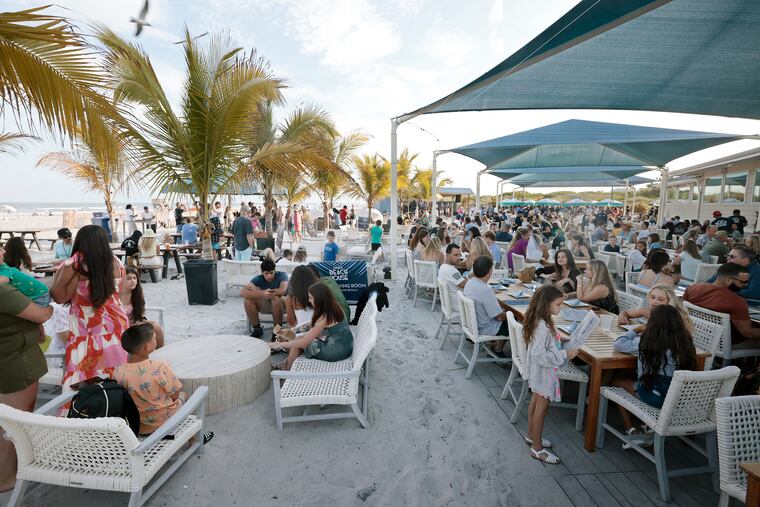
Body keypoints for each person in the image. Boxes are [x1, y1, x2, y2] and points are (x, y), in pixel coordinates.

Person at [50, 224, 130, 392]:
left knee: (83, 377)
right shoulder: (116, 262)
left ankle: (84, 413)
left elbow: (58, 296)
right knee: (116, 373)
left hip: (85, 329)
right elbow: (121, 293)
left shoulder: (75, 263)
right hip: (116, 327)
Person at [112, 323, 213, 443]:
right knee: (183, 395)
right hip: (166, 423)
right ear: (147, 347)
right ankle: (194, 439)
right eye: (154, 338)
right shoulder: (159, 366)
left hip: (141, 426)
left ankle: (188, 436)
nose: (156, 340)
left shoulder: (117, 372)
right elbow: (175, 395)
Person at [612, 305, 697, 438]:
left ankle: (631, 430)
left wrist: (636, 329)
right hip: (677, 397)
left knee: (616, 381)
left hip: (656, 397)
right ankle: (645, 424)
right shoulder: (685, 343)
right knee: (631, 375)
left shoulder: (647, 341)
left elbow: (619, 343)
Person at [0, 280, 53, 491]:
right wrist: (49, 308)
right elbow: (42, 314)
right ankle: (5, 478)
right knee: (13, 424)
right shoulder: (3, 291)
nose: (2, 251)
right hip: (17, 363)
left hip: (10, 360)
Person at [523, 284, 579, 465]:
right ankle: (537, 449)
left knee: (535, 402)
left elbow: (542, 345)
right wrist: (565, 354)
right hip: (544, 372)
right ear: (546, 304)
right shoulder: (542, 326)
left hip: (539, 373)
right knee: (542, 408)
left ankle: (531, 436)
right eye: (558, 304)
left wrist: (558, 338)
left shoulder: (541, 320)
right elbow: (540, 355)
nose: (560, 308)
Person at [270, 282, 353, 370]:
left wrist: (278, 344)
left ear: (319, 299)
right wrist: (294, 330)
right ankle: (284, 365)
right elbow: (312, 325)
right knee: (303, 337)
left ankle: (286, 375)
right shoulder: (335, 307)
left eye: (310, 298)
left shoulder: (325, 317)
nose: (309, 300)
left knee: (298, 343)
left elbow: (304, 342)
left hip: (335, 351)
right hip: (345, 344)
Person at [684, 263, 760, 345]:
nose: (746, 285)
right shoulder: (737, 302)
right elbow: (748, 332)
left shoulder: (692, 288)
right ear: (728, 280)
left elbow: (682, 312)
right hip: (723, 344)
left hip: (696, 337)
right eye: (743, 282)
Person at [463, 256, 510, 355]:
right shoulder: (486, 290)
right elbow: (500, 317)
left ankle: (494, 344)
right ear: (490, 271)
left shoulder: (470, 283)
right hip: (485, 328)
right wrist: (510, 313)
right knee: (514, 322)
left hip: (473, 324)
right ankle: (498, 350)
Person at [241, 259, 289, 339]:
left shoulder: (282, 275)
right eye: (266, 273)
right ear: (262, 273)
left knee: (275, 298)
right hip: (266, 304)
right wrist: (262, 293)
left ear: (275, 271)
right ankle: (257, 329)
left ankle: (277, 331)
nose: (269, 276)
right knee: (248, 300)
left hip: (283, 306)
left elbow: (282, 291)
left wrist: (269, 293)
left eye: (271, 273)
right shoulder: (258, 278)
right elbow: (243, 292)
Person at [120, 267, 165, 348]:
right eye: (129, 278)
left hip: (135, 322)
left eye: (134, 278)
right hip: (120, 325)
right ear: (122, 280)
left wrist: (141, 320)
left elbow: (139, 312)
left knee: (157, 328)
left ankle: (159, 354)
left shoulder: (137, 294)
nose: (133, 281)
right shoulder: (116, 296)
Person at [618, 285, 690, 333]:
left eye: (661, 299)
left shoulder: (673, 316)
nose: (655, 301)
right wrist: (622, 317)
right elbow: (626, 313)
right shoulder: (648, 310)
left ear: (669, 301)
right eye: (652, 297)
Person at [283, 265, 319, 330]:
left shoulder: (290, 298)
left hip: (301, 332)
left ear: (293, 281)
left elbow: (292, 323)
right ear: (312, 278)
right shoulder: (318, 292)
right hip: (319, 330)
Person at [438, 244, 468, 315]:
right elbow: (465, 285)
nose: (459, 257)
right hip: (458, 304)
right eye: (456, 255)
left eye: (459, 255)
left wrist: (470, 276)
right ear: (447, 255)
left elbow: (459, 280)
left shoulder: (443, 267)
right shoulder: (451, 270)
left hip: (451, 302)